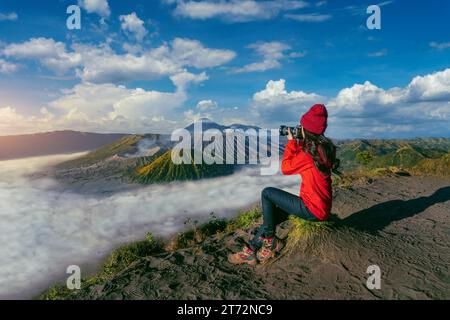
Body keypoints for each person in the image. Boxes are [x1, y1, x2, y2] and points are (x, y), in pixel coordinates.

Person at [228, 104, 340, 265]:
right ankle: (251, 250)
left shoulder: (308, 155)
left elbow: (286, 168)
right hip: (320, 207)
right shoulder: (324, 149)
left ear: (306, 129)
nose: (298, 129)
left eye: (301, 127)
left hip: (312, 209)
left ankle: (270, 242)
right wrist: (300, 141)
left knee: (267, 192)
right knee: (270, 221)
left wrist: (291, 142)